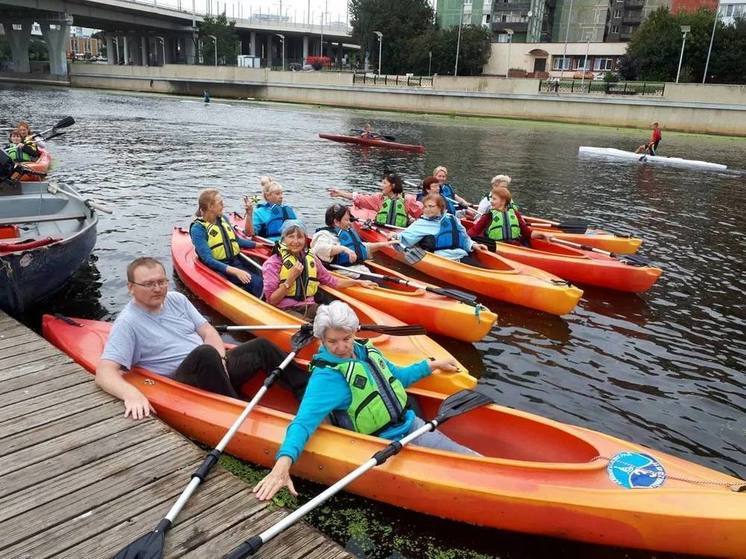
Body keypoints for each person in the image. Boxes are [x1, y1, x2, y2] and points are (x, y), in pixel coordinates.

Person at [252, 301, 479, 501]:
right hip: (380, 446)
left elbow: (397, 377)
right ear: (321, 340)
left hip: (412, 426)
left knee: (470, 460)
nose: (341, 348)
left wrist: (432, 365)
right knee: (460, 482)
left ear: (354, 332)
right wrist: (282, 465)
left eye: (346, 338)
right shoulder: (326, 377)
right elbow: (303, 422)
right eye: (332, 342)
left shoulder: (365, 351)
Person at [95, 257, 308, 420]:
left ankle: (308, 392)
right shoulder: (128, 323)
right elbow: (105, 373)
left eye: (161, 281)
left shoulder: (176, 299)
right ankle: (238, 406)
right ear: (131, 287)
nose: (158, 288)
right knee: (205, 353)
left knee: (261, 346)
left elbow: (207, 331)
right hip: (186, 379)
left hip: (214, 366)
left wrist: (222, 359)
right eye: (149, 284)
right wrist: (131, 394)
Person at [262, 220, 377, 318]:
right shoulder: (273, 264)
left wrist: (358, 282)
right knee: (312, 328)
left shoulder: (312, 259)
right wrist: (290, 279)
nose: (296, 241)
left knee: (338, 318)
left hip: (309, 306)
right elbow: (272, 301)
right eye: (291, 237)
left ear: (305, 239)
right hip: (284, 310)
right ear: (283, 240)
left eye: (300, 237)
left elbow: (331, 281)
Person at [189, 188, 263, 298]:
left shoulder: (223, 219)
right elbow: (208, 260)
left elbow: (236, 241)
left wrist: (258, 245)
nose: (223, 205)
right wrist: (235, 271)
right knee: (257, 283)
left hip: (234, 261)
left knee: (262, 275)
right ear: (210, 207)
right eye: (220, 203)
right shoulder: (198, 229)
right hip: (218, 268)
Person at [393, 194, 487, 264]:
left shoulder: (452, 218)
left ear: (440, 207)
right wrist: (394, 237)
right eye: (425, 207)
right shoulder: (421, 223)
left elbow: (463, 237)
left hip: (461, 255)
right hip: (440, 260)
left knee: (480, 268)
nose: (427, 209)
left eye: (431, 206)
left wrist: (473, 245)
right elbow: (404, 238)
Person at [310, 203, 396, 273]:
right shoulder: (324, 234)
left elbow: (362, 247)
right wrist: (344, 249)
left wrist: (383, 244)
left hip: (359, 270)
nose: (350, 223)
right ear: (336, 222)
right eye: (346, 220)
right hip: (342, 273)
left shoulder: (347, 231)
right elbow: (319, 249)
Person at [328, 172, 422, 227]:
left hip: (399, 231)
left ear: (392, 186)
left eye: (384, 183)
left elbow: (421, 214)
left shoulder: (407, 199)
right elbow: (361, 198)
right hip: (381, 230)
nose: (382, 186)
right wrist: (341, 193)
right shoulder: (379, 198)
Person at [248, 177, 298, 242]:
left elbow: (297, 229)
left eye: (281, 193)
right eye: (277, 194)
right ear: (268, 196)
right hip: (270, 244)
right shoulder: (259, 212)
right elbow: (250, 233)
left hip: (290, 243)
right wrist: (249, 215)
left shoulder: (287, 210)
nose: (281, 196)